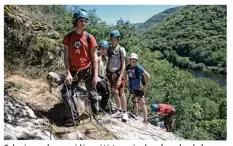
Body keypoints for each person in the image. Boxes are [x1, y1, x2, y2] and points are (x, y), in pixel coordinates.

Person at [61, 9, 100, 126]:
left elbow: (94, 57)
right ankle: (74, 118)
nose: (83, 23)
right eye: (81, 20)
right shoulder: (68, 38)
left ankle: (96, 116)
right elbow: (66, 57)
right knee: (66, 93)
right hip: (74, 71)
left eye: (85, 21)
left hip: (87, 70)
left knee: (93, 94)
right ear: (75, 22)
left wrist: (96, 75)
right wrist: (68, 73)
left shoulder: (90, 38)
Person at [106, 30, 128, 122]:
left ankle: (123, 111)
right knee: (114, 92)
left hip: (119, 74)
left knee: (120, 92)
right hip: (110, 74)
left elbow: (123, 65)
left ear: (118, 39)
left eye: (115, 38)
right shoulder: (109, 49)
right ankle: (119, 109)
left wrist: (120, 78)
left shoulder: (121, 49)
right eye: (112, 38)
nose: (113, 40)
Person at [126, 53, 150, 123]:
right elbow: (125, 72)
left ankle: (145, 119)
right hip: (132, 86)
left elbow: (147, 75)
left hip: (138, 87)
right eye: (131, 60)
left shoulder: (139, 68)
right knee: (134, 100)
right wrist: (126, 80)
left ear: (136, 61)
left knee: (142, 103)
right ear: (130, 60)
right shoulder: (128, 67)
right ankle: (135, 113)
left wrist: (145, 86)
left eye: (134, 60)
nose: (133, 62)